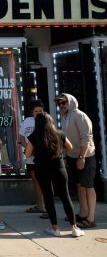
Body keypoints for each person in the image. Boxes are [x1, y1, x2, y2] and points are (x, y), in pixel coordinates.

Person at [25, 112, 85, 238]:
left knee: (48, 197)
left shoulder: (34, 136)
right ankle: (74, 227)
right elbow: (70, 146)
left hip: (41, 168)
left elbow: (28, 154)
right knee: (65, 196)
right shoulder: (59, 133)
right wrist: (60, 152)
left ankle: (55, 228)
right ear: (50, 121)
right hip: (58, 167)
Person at [55, 93, 97, 229]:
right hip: (72, 157)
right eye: (60, 103)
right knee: (79, 185)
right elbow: (66, 140)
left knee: (88, 186)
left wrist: (82, 157)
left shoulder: (80, 116)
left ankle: (91, 218)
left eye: (64, 103)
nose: (62, 105)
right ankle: (83, 213)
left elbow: (86, 137)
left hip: (85, 156)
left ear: (71, 102)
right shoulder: (65, 117)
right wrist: (66, 157)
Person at [19, 99, 47, 218]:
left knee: (45, 181)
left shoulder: (47, 121)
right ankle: (40, 205)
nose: (38, 113)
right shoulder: (27, 121)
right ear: (32, 112)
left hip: (43, 156)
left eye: (40, 111)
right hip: (30, 156)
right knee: (36, 181)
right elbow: (21, 137)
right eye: (36, 111)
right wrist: (27, 149)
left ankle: (46, 206)